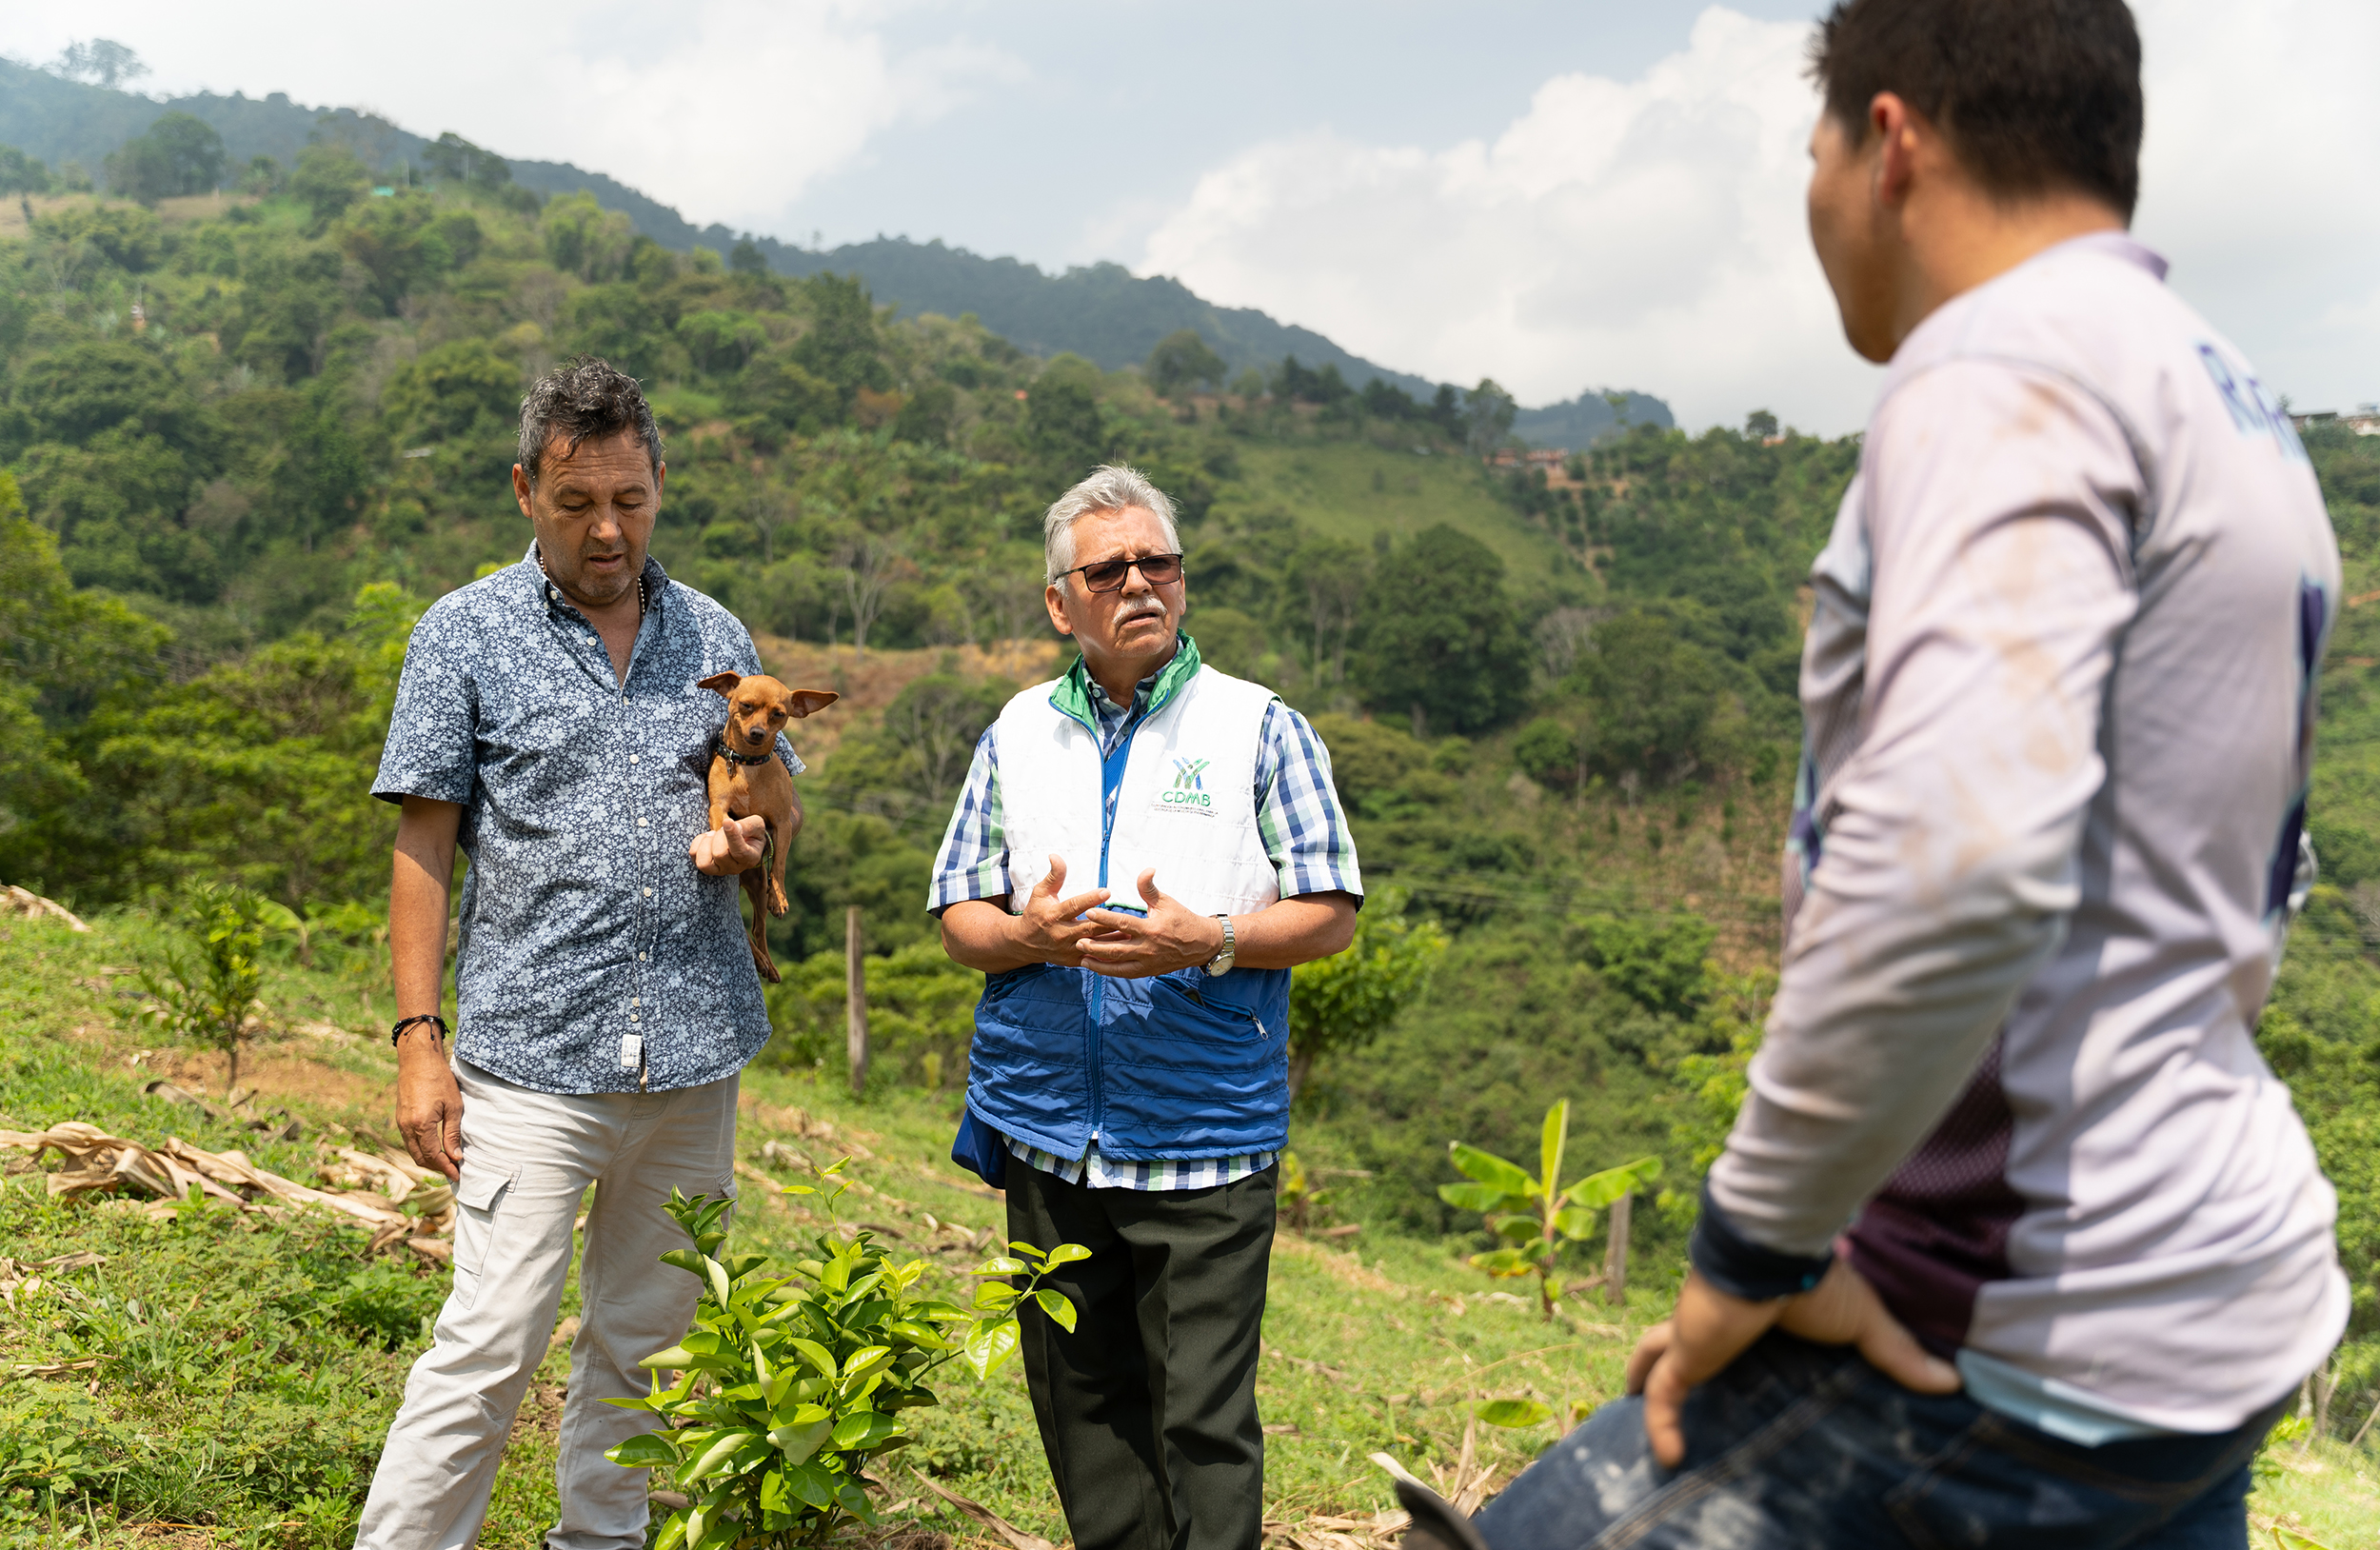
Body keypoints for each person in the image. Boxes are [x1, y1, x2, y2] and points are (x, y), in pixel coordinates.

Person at [1403, 2, 2346, 1546]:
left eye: (1815, 145)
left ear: (1890, 140)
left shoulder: (2001, 367)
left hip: (1999, 1313)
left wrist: (1752, 1248)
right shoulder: (2228, 399)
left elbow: (1956, 857)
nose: (1816, 191)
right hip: (2207, 1288)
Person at [356, 356, 797, 1549]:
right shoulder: (463, 634)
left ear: (659, 480)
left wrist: (749, 838)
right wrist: (415, 1040)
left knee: (647, 1347)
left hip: (694, 1058)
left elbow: (766, 794)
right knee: (489, 1343)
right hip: (531, 1062)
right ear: (523, 490)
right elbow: (423, 843)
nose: (607, 529)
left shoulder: (714, 632)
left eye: (630, 500)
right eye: (575, 504)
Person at [929, 464, 1363, 1550]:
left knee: (1203, 1422)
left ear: (1182, 580)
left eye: (1156, 561)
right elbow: (958, 916)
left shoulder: (1260, 727)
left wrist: (1210, 937)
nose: (1138, 582)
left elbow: (1330, 910)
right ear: (1059, 601)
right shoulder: (1018, 729)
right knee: (1083, 1414)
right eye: (1108, 566)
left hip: (1201, 1137)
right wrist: (1026, 935)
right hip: (1045, 1134)